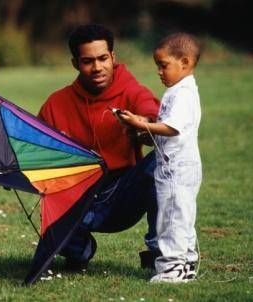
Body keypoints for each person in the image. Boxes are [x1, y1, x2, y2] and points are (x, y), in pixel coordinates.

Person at [37, 24, 161, 271]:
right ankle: (81, 250)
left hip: (122, 195)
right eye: (87, 61)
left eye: (103, 58)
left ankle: (160, 252)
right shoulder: (56, 103)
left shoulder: (131, 90)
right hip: (78, 198)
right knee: (54, 221)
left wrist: (142, 125)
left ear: (113, 57)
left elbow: (152, 117)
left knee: (164, 159)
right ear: (75, 64)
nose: (97, 68)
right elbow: (34, 149)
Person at [117, 32, 202, 282]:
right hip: (173, 166)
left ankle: (172, 268)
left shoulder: (183, 94)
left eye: (163, 65)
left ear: (184, 62)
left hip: (177, 170)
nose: (159, 72)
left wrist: (140, 124)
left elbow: (172, 128)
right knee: (181, 214)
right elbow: (169, 134)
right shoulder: (178, 91)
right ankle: (186, 263)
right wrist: (141, 133)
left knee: (172, 218)